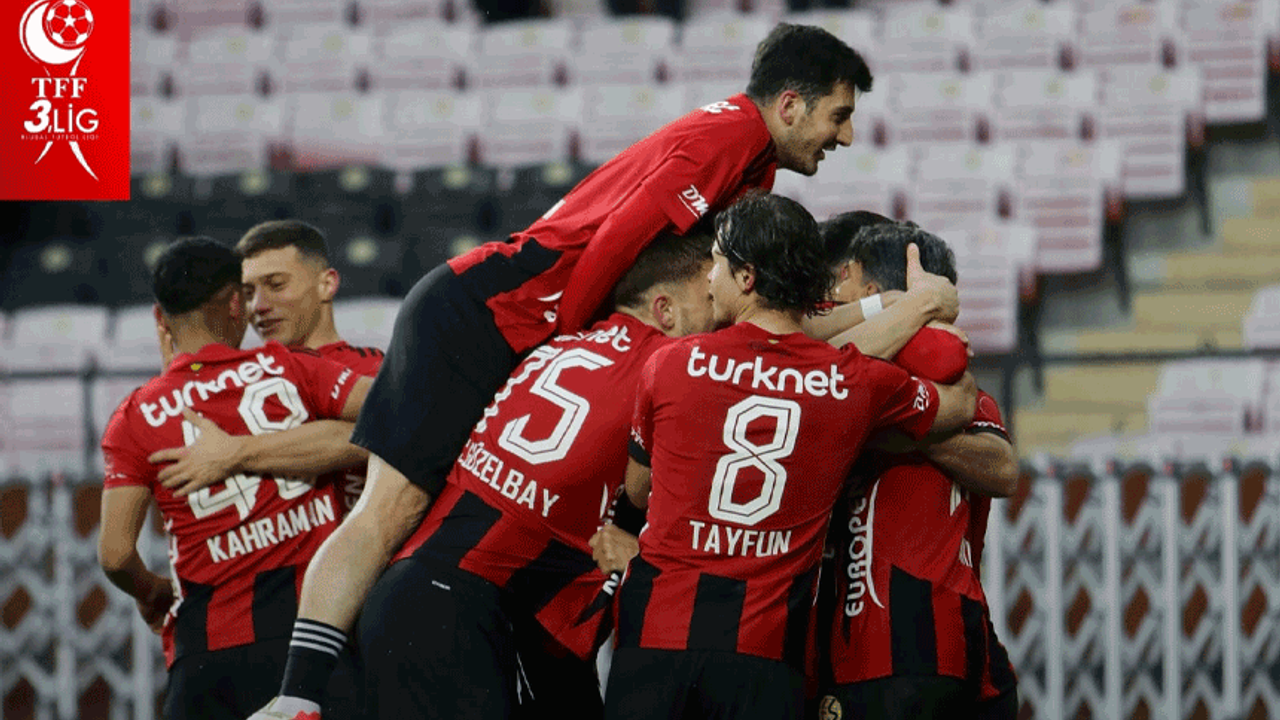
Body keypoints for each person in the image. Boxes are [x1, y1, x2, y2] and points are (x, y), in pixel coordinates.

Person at [249, 22, 900, 720]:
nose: (845, 136)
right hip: (486, 310)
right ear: (791, 105)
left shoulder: (748, 162)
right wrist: (570, 344)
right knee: (393, 512)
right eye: (839, 115)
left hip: (517, 320)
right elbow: (621, 237)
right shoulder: (729, 139)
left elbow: (761, 317)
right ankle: (299, 695)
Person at [604, 193, 978, 720]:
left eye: (718, 262)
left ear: (746, 278)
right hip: (765, 653)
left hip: (657, 638)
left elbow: (639, 491)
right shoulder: (852, 382)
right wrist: (931, 315)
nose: (709, 277)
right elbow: (960, 404)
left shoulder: (670, 363)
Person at [351, 227, 721, 720]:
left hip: (436, 602)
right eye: (710, 297)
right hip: (460, 614)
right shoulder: (670, 362)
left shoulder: (558, 345)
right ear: (665, 311)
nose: (723, 313)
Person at [96, 237, 374, 720]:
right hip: (314, 639)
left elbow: (115, 554)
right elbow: (390, 413)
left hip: (207, 657)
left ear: (160, 318)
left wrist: (151, 591)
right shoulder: (289, 367)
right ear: (234, 303)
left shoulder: (136, 414)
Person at [814, 220, 1020, 720]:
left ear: (869, 289)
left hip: (909, 650)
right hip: (881, 647)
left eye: (842, 279)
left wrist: (910, 424)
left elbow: (1004, 470)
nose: (832, 297)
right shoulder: (841, 383)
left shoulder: (958, 393)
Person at [152, 220, 385, 508]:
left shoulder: (371, 370)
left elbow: (386, 434)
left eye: (276, 285)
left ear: (326, 284)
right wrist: (176, 390)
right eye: (248, 294)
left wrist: (238, 452)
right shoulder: (239, 379)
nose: (259, 306)